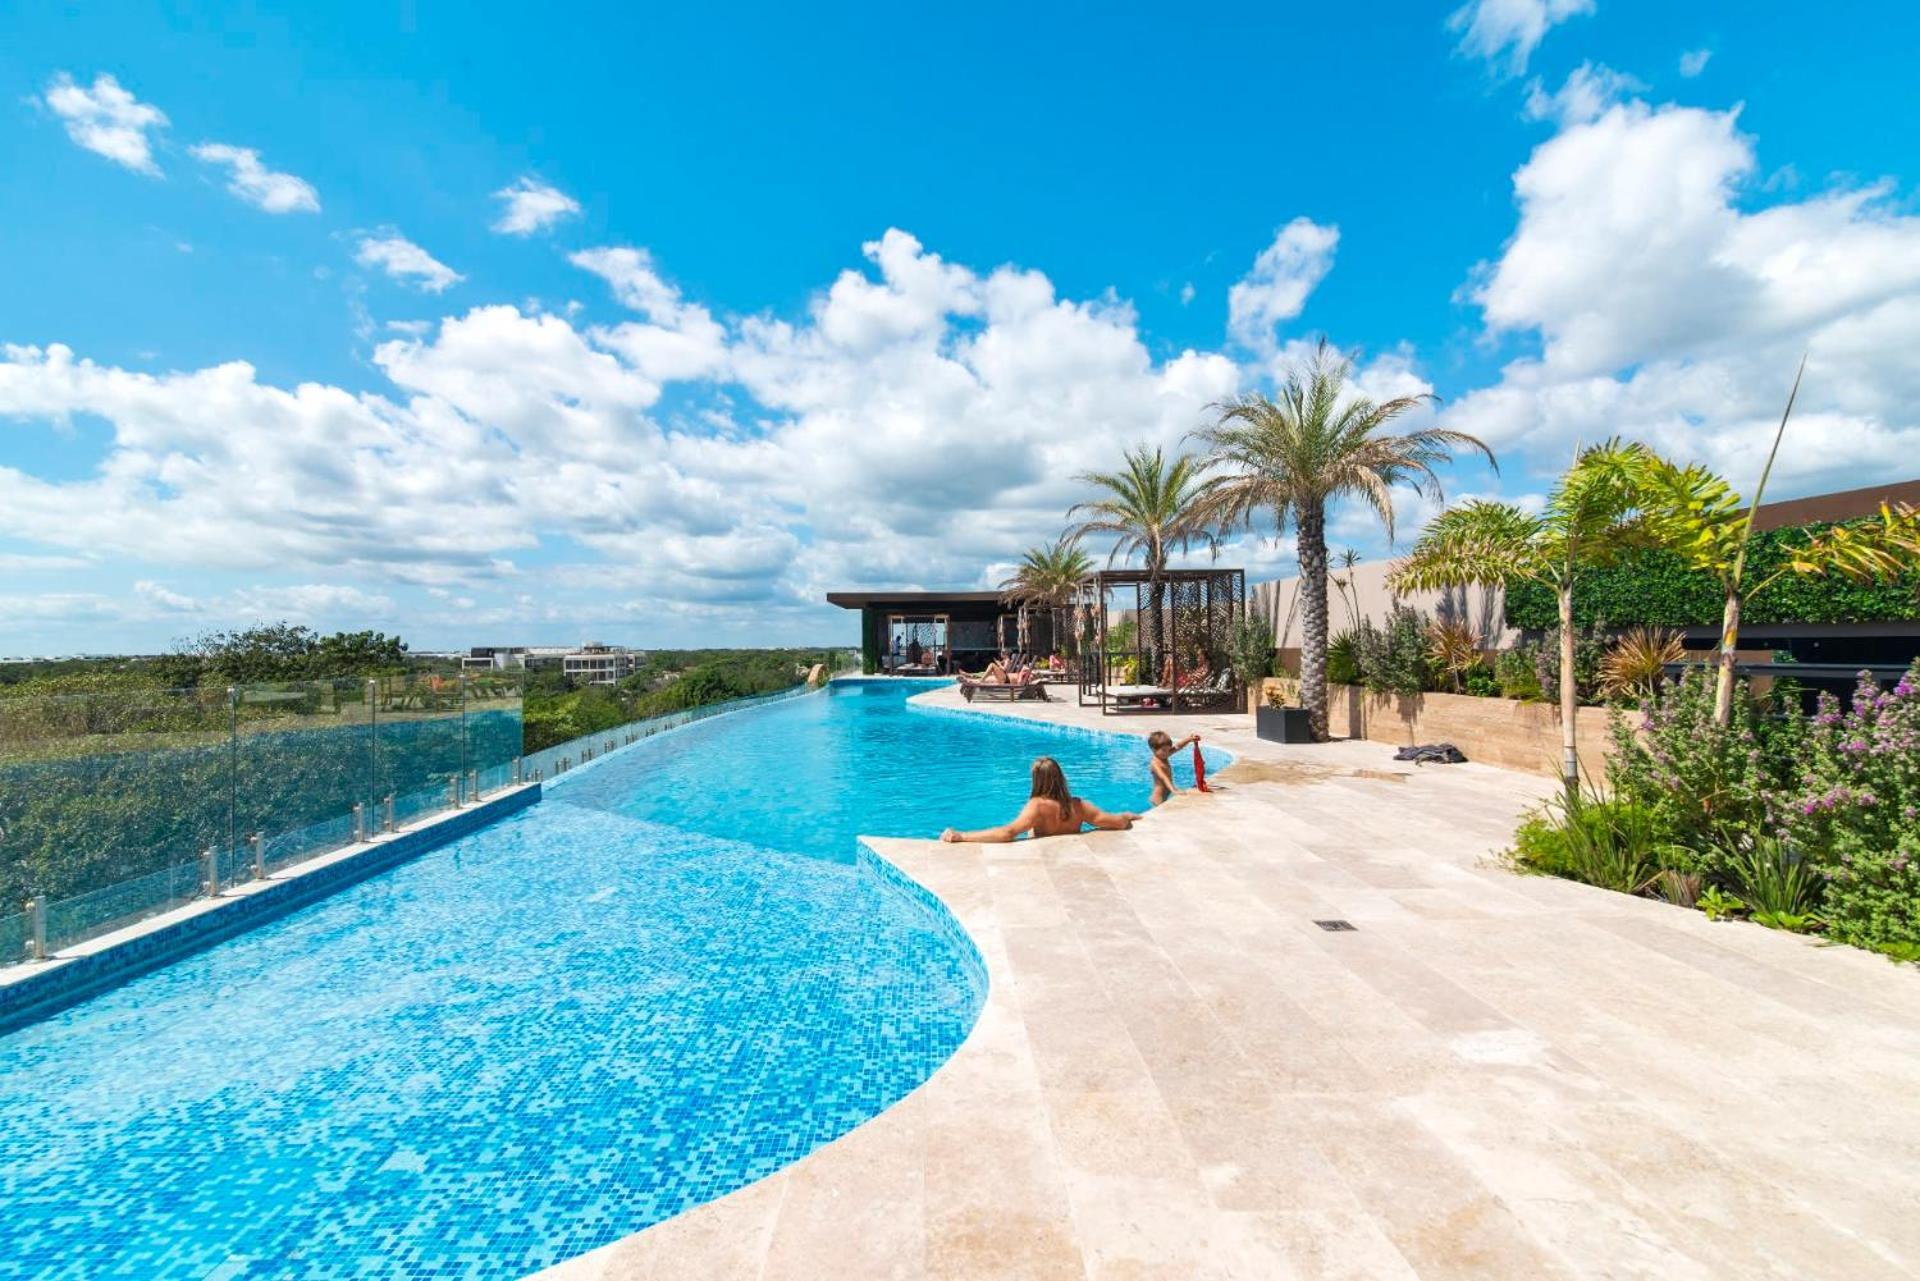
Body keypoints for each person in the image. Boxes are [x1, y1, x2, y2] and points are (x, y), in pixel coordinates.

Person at [941, 756, 1136, 843]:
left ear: (1036, 780)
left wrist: (962, 836)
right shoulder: (1078, 805)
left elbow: (1008, 832)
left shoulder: (1037, 807)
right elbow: (1115, 822)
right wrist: (1125, 816)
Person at [1146, 730, 1202, 805]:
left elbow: (1178, 746)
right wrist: (1173, 790)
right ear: (1153, 749)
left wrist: (1189, 739)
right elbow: (1163, 777)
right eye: (1164, 750)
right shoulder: (1155, 763)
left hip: (1165, 795)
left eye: (1168, 750)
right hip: (1158, 798)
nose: (1167, 752)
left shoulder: (1163, 756)